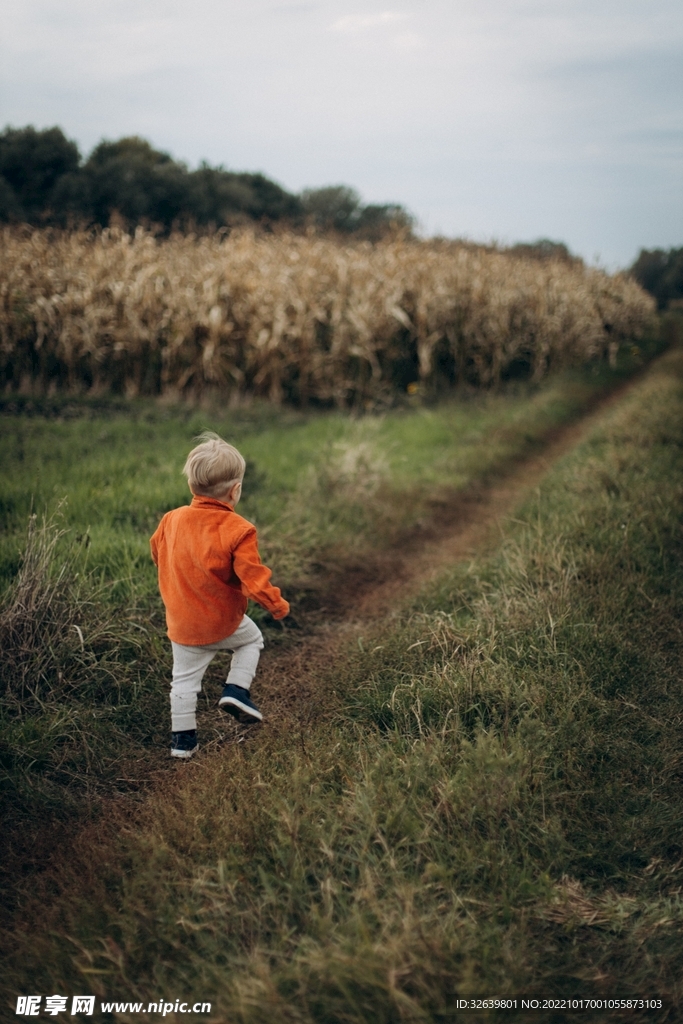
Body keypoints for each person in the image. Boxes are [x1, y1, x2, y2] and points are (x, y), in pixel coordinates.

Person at [150, 431, 289, 759]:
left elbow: (158, 552)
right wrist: (276, 605)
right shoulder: (239, 529)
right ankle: (236, 690)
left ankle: (182, 744)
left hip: (182, 624)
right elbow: (253, 579)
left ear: (190, 486)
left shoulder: (171, 520)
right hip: (221, 621)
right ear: (235, 490)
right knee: (251, 640)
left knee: (183, 683)